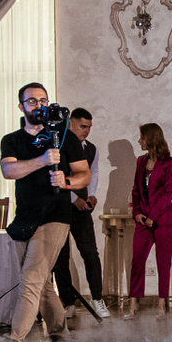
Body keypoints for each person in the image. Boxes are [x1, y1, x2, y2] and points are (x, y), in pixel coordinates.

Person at [1, 83, 89, 342]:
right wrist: (42, 160)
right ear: (21, 106)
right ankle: (59, 334)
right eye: (32, 101)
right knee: (42, 284)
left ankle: (15, 341)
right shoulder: (12, 140)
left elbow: (84, 174)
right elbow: (9, 171)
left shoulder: (65, 137)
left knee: (31, 279)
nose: (38, 106)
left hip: (55, 217)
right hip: (24, 219)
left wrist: (67, 182)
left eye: (43, 100)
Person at [127, 122, 172, 312]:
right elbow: (136, 190)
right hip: (142, 220)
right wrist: (137, 213)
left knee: (163, 262)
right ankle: (133, 303)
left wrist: (153, 216)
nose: (139, 141)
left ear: (151, 138)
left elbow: (167, 194)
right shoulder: (141, 161)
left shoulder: (170, 163)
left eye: (142, 137)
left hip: (162, 220)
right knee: (137, 261)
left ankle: (162, 304)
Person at [63, 108, 107, 320]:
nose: (87, 131)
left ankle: (97, 299)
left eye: (89, 127)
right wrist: (74, 199)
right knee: (61, 257)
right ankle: (67, 303)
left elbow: (93, 172)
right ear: (71, 124)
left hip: (82, 210)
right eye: (83, 126)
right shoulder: (60, 146)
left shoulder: (91, 149)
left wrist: (91, 195)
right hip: (61, 207)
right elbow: (57, 175)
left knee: (90, 253)